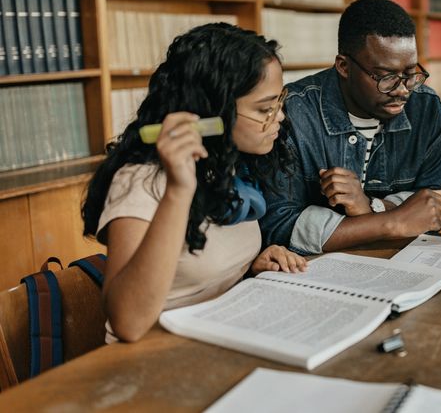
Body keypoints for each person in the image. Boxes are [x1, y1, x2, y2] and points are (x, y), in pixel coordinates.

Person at [82, 23, 306, 342]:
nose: (280, 117)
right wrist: (178, 190)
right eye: (265, 109)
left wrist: (248, 267)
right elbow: (128, 323)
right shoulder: (141, 180)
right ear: (213, 113)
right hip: (153, 356)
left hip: (218, 335)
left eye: (279, 102)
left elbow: (198, 270)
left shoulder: (226, 164)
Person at [261, 0, 441, 254]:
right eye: (386, 77)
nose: (402, 90)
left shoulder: (427, 109)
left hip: (402, 261)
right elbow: (278, 224)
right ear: (343, 66)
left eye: (411, 73)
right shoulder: (295, 113)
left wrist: (371, 206)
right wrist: (392, 222)